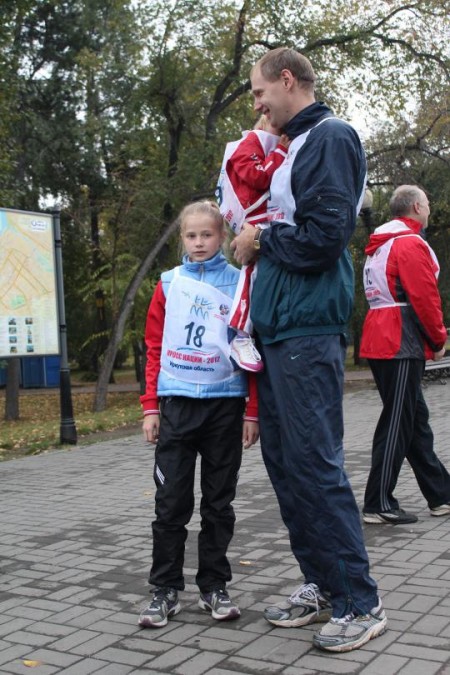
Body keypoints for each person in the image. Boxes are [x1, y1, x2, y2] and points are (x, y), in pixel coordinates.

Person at [230, 47, 386, 653]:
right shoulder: (293, 146)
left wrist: (259, 239)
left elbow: (324, 238)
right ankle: (321, 583)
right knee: (286, 466)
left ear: (287, 80)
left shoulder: (331, 136)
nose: (257, 105)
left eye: (259, 92)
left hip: (306, 328)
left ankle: (360, 601)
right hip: (276, 329)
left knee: (316, 465)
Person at [138, 200, 259, 629]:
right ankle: (164, 589)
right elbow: (154, 346)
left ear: (222, 236)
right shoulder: (169, 283)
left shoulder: (240, 281)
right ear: (182, 239)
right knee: (170, 503)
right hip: (176, 405)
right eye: (191, 236)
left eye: (207, 234)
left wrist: (252, 411)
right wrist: (150, 406)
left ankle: (214, 586)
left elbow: (249, 344)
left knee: (218, 503)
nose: (199, 242)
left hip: (225, 406)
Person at [360, 185, 450, 525]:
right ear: (416, 207)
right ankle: (378, 502)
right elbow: (425, 297)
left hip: (382, 335)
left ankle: (441, 495)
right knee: (398, 422)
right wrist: (438, 338)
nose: (429, 209)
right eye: (426, 203)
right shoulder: (409, 243)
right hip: (400, 339)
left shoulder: (381, 243)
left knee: (413, 420)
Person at [217, 114, 289, 372]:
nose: (284, 136)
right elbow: (257, 177)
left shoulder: (262, 146)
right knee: (249, 272)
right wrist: (281, 151)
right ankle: (240, 333)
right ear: (265, 121)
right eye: (279, 128)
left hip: (263, 215)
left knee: (257, 273)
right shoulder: (248, 144)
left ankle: (246, 331)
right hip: (254, 217)